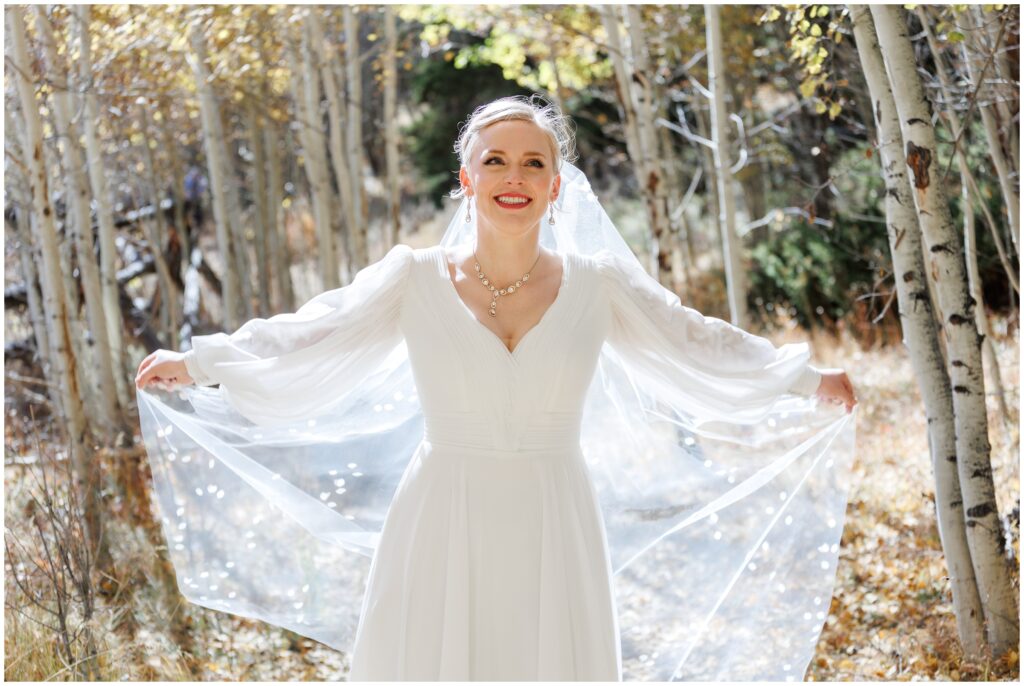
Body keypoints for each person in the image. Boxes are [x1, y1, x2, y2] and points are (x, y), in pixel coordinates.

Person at [135, 96, 858, 681]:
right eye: (496, 160)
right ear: (467, 179)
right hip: (442, 515)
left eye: (533, 162)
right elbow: (310, 331)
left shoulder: (598, 285)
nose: (514, 176)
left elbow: (693, 338)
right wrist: (204, 362)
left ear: (554, 184)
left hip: (554, 515)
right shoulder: (413, 278)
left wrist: (801, 377)